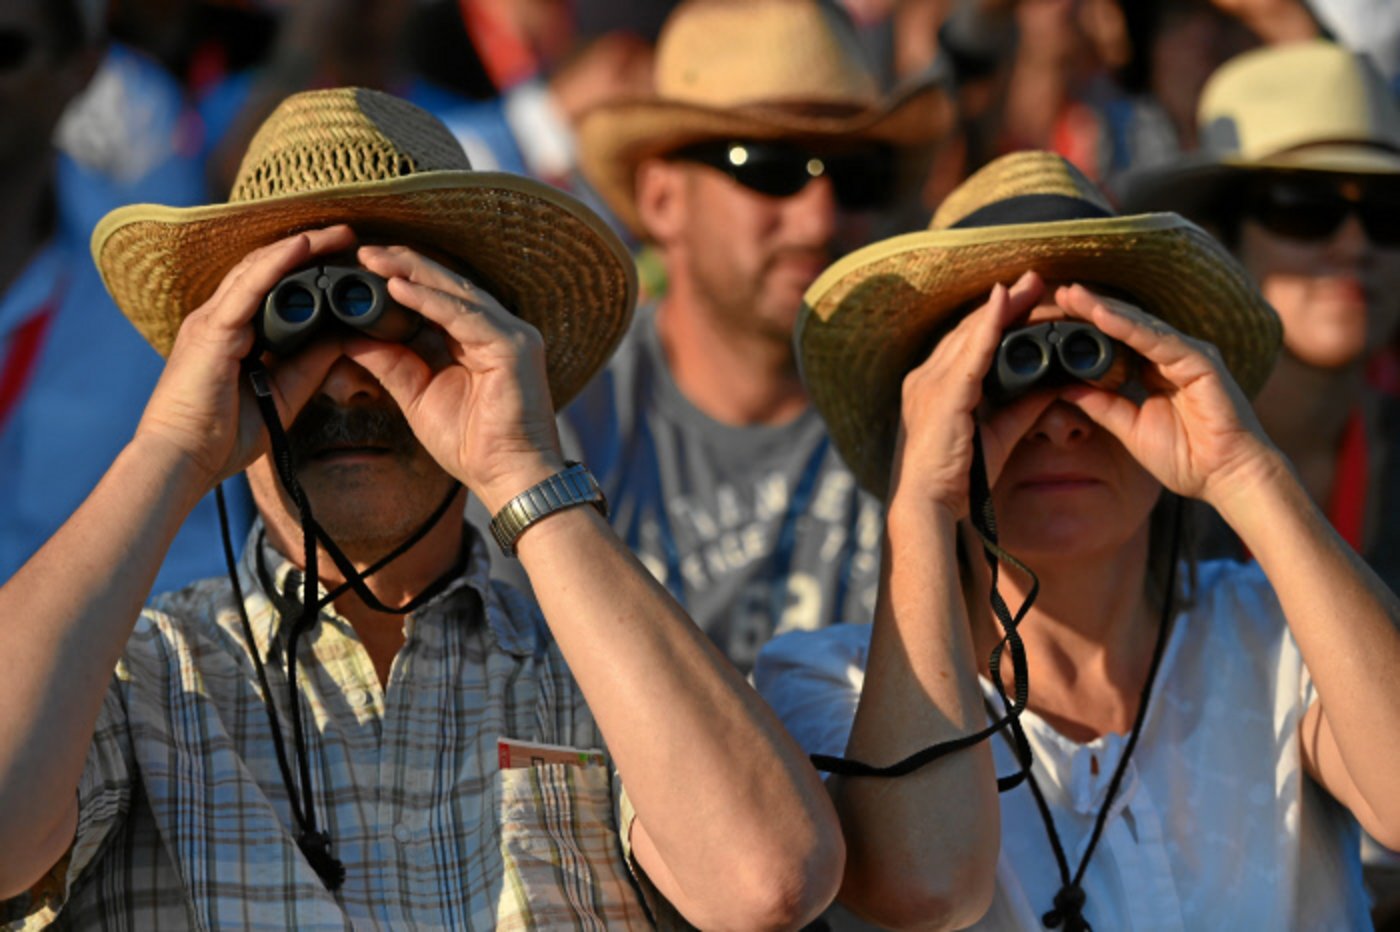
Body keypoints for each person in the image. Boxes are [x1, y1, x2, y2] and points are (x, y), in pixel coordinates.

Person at [0, 87, 843, 929]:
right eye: (288, 317)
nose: (344, 377)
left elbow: (768, 882)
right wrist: (171, 451)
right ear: (223, 356)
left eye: (402, 312)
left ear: (484, 337)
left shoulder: (607, 675)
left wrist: (521, 468)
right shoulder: (130, 677)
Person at [754, 150, 1400, 929]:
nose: (1059, 421)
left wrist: (1247, 472)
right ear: (930, 414)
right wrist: (921, 500)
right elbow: (927, 886)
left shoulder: (1281, 637)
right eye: (1003, 374)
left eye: (1097, 363)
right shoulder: (835, 687)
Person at [530, 0, 954, 671]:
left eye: (852, 174)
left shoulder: (929, 414)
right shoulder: (557, 427)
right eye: (768, 166)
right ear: (663, 199)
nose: (819, 218)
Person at [1118, 39, 1400, 588]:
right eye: (1303, 208)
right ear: (1221, 241)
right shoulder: (1134, 479)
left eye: (1389, 213)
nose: (1354, 244)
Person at [0, 0, 249, 595]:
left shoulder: (154, 288)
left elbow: (197, 561)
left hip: (93, 681)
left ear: (79, 73)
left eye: (5, 51)